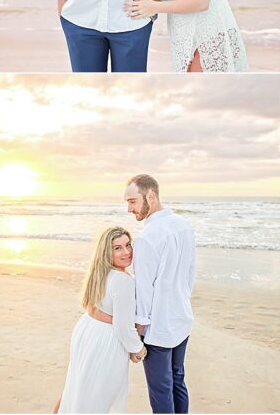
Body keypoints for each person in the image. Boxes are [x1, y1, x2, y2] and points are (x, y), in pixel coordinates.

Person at [125, 174, 196, 413]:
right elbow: (190, 275)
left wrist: (140, 325)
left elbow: (144, 288)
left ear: (151, 196)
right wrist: (181, 303)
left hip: (159, 327)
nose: (129, 209)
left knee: (160, 388)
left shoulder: (146, 238)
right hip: (182, 318)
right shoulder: (184, 226)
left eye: (133, 201)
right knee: (177, 379)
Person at [55, 227, 146, 413]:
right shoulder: (123, 280)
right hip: (106, 341)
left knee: (77, 387)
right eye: (118, 248)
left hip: (87, 331)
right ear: (107, 251)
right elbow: (123, 327)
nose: (126, 252)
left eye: (128, 245)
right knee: (98, 399)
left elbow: (91, 307)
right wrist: (138, 349)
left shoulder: (100, 273)